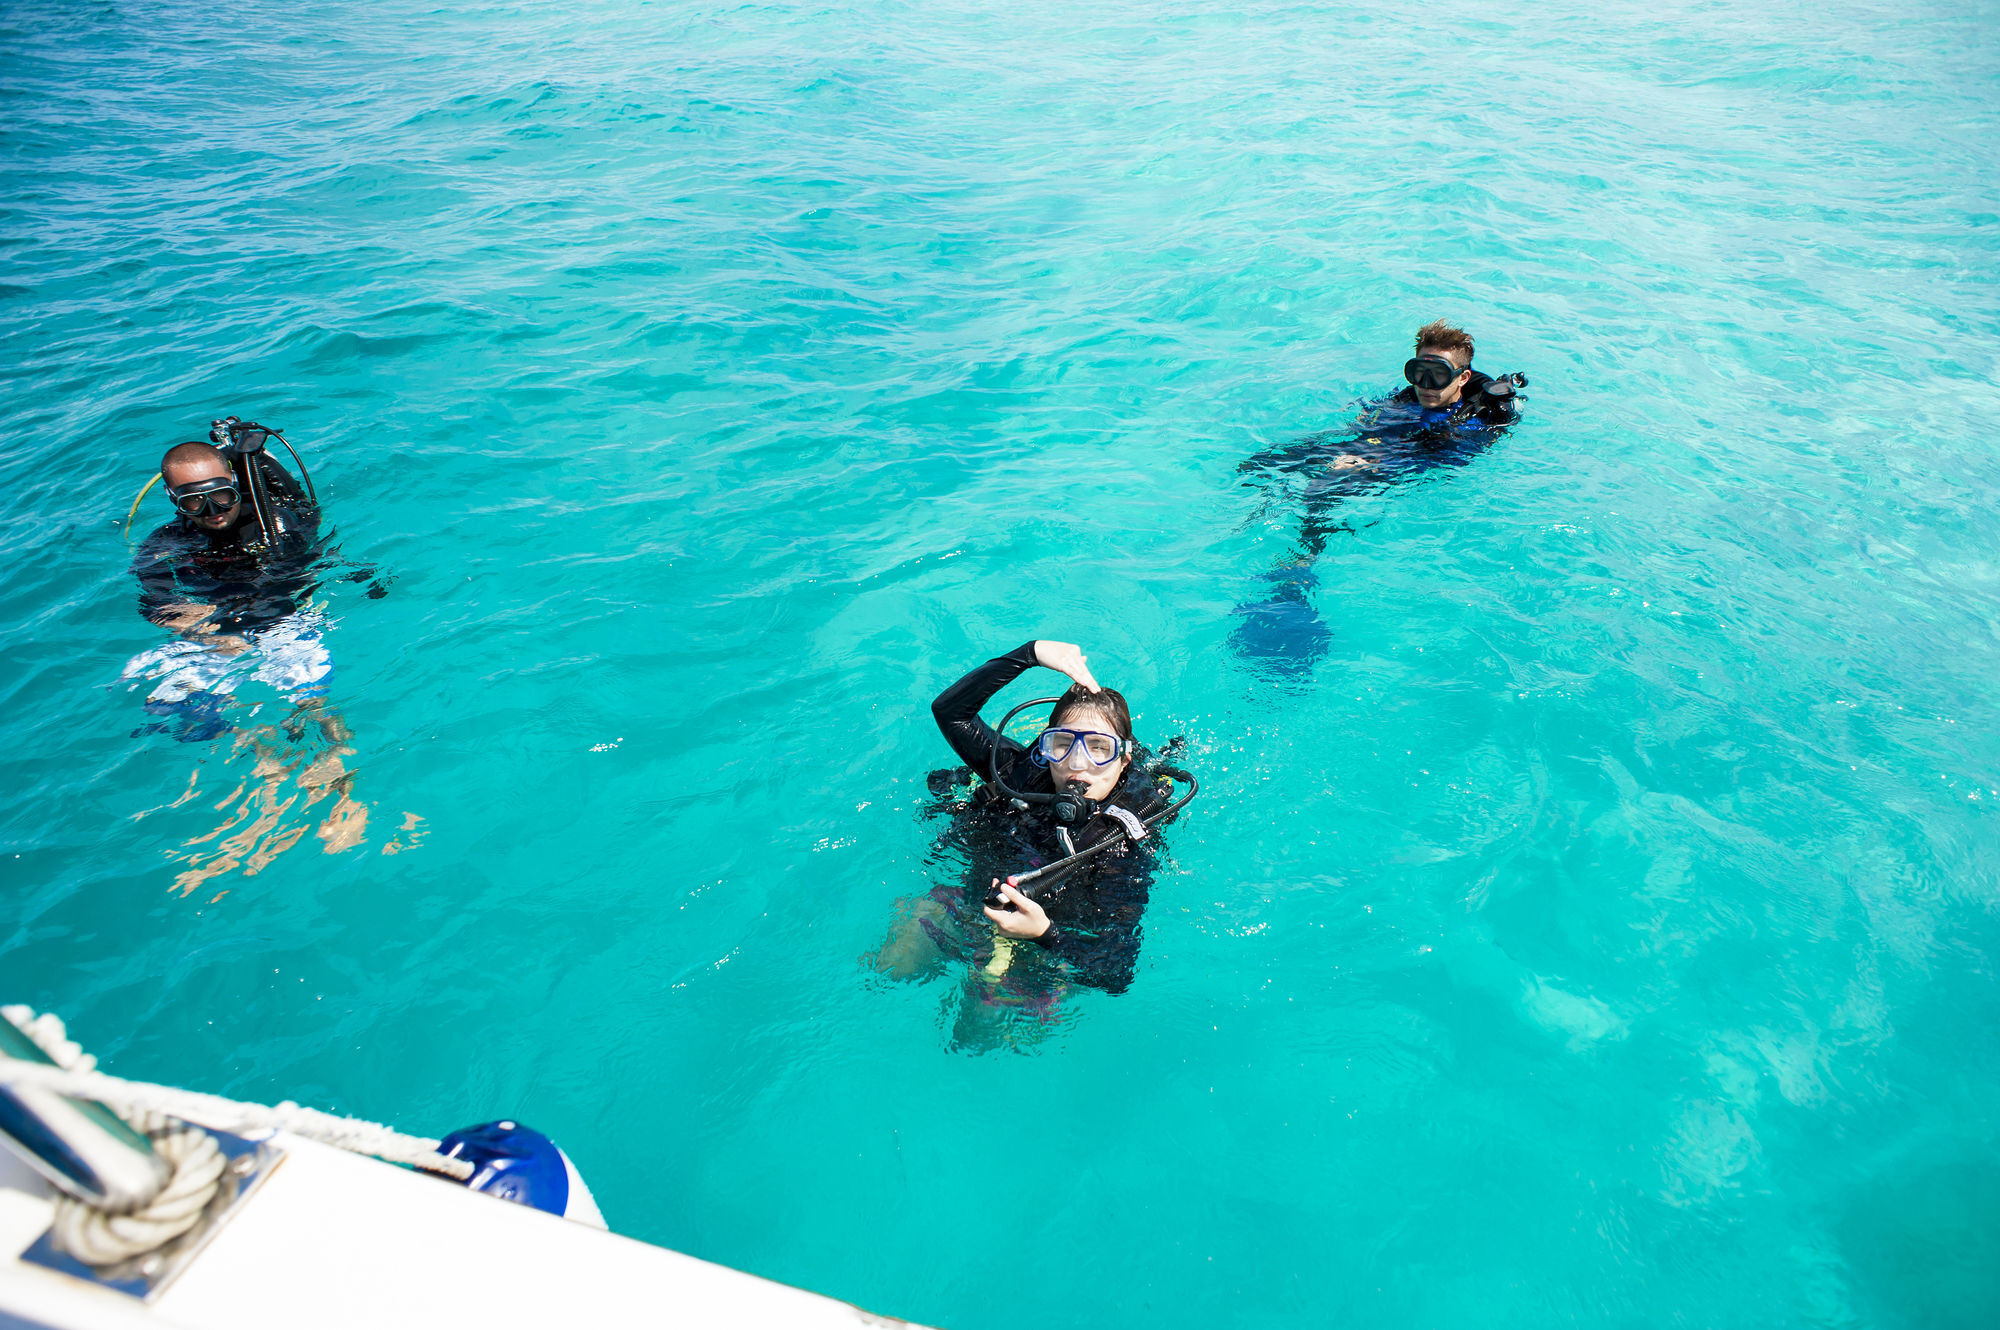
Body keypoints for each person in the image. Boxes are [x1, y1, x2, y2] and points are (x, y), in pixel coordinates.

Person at [870, 640, 1189, 1049]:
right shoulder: (1021, 773)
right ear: (1045, 748)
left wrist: (1044, 933)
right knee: (891, 965)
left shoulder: (1119, 844)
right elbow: (949, 712)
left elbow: (1115, 971)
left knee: (977, 1030)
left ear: (1124, 760)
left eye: (1099, 748)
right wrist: (1030, 654)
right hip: (975, 906)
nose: (1078, 763)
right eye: (1062, 744)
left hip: (1049, 949)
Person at [122, 427, 390, 873]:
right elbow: (155, 602)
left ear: (234, 483)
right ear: (173, 500)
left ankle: (343, 791)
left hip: (282, 622)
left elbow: (309, 528)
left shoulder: (276, 518)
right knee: (169, 704)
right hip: (214, 630)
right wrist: (205, 632)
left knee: (310, 703)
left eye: (222, 497)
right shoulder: (165, 544)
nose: (211, 513)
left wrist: (259, 460)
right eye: (193, 503)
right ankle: (258, 753)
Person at [1230, 320, 1527, 677]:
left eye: (1437, 375)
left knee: (1326, 487)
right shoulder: (1412, 394)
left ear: (1463, 378)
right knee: (1268, 461)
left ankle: (1298, 565)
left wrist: (1372, 462)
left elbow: (1446, 453)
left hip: (1419, 452)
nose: (1425, 386)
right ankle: (1247, 517)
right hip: (1384, 438)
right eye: (1418, 372)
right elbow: (1379, 409)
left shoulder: (1479, 414)